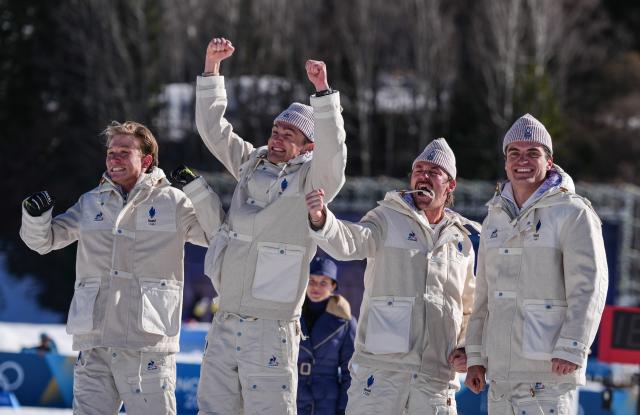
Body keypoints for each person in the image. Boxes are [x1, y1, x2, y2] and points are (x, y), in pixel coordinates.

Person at [19, 121, 222, 415]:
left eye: (124, 152)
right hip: (96, 344)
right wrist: (35, 217)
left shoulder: (173, 202)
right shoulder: (91, 202)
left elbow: (216, 234)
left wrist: (198, 191)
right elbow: (45, 241)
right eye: (111, 152)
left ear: (147, 159)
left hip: (148, 344)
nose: (114, 159)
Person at [194, 37, 347, 414]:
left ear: (308, 147)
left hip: (272, 329)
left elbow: (336, 157)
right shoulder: (250, 163)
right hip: (226, 317)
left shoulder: (313, 179)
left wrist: (323, 94)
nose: (277, 138)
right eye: (276, 131)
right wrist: (212, 69)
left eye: (288, 135)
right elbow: (214, 131)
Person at [305, 138, 478, 415]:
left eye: (433, 172)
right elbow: (352, 241)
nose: (423, 176)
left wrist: (468, 347)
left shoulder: (462, 242)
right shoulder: (387, 217)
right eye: (418, 170)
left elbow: (469, 308)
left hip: (435, 381)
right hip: (381, 376)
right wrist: (322, 220)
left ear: (450, 185)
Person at [464, 114, 608, 414]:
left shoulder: (573, 212)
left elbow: (590, 287)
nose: (522, 160)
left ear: (549, 161)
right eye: (514, 153)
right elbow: (483, 298)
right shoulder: (494, 217)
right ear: (505, 162)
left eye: (533, 153)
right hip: (501, 376)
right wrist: (476, 357)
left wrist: (573, 346)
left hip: (550, 372)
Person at [297, 256, 357, 415]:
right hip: (292, 394)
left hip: (326, 403)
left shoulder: (345, 322)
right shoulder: (291, 315)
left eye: (323, 282)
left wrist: (343, 410)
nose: (316, 287)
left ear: (333, 286)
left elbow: (349, 372)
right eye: (311, 281)